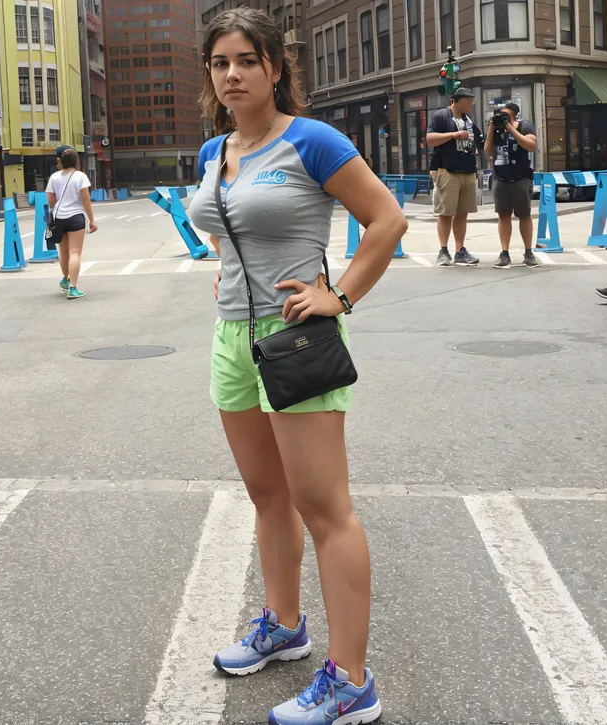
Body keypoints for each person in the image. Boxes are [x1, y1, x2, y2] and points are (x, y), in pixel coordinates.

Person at [187, 8, 407, 724]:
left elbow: (387, 219)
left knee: (325, 508)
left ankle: (352, 681)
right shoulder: (212, 151)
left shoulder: (312, 140)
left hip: (296, 341)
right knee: (267, 495)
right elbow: (226, 238)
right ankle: (284, 624)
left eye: (246, 60)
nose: (232, 74)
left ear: (276, 68)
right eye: (220, 62)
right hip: (232, 340)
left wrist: (336, 294)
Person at [426, 87, 482, 267]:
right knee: (445, 213)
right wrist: (454, 135)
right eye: (467, 101)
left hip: (467, 170)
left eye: (471, 101)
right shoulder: (441, 116)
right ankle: (443, 251)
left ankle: (460, 250)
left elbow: (478, 141)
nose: (470, 104)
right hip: (447, 171)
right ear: (455, 101)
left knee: (462, 213)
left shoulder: (469, 120)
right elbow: (430, 139)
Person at [484, 102, 540, 268]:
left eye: (505, 114)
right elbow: (488, 152)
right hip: (500, 178)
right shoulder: (496, 130)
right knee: (503, 215)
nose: (501, 116)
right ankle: (504, 253)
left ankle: (528, 252)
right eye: (500, 114)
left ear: (514, 114)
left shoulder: (525, 125)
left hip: (521, 177)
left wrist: (510, 128)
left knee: (524, 215)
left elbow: (532, 145)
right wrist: (491, 131)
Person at [45, 147, 97, 299]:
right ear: (76, 161)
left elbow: (51, 200)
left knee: (63, 251)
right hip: (75, 217)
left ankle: (65, 279)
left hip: (58, 217)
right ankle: (73, 288)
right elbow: (85, 200)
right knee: (75, 252)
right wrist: (92, 221)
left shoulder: (54, 177)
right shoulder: (80, 176)